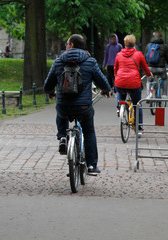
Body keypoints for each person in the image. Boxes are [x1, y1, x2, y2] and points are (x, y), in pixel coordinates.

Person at [44, 34, 111, 175]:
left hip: (64, 106)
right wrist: (106, 90)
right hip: (83, 107)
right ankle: (92, 165)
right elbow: (102, 81)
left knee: (60, 109)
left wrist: (51, 92)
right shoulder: (90, 62)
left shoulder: (58, 62)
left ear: (72, 45)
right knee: (89, 131)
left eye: (67, 43)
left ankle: (62, 136)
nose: (66, 45)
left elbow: (47, 85)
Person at [114, 34, 152, 135]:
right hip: (134, 83)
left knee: (120, 92)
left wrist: (117, 76)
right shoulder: (138, 54)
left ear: (125, 44)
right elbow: (145, 68)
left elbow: (115, 69)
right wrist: (149, 75)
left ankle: (119, 106)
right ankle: (139, 128)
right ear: (134, 43)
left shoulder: (119, 55)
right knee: (137, 104)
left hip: (120, 81)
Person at [145, 32, 168, 98]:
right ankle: (164, 94)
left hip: (150, 68)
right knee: (164, 78)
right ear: (161, 37)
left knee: (149, 80)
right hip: (160, 68)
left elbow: (145, 57)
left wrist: (145, 67)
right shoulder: (163, 46)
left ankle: (148, 95)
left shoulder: (148, 46)